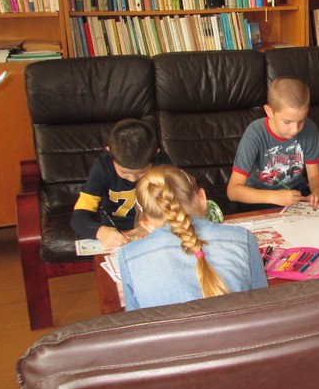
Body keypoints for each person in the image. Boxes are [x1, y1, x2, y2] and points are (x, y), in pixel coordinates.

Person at [118, 166, 268, 311]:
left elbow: (135, 320)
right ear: (202, 198)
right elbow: (263, 306)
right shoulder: (243, 239)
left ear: (147, 221)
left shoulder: (128, 256)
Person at [227, 76, 319, 210]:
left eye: (302, 121)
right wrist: (274, 197)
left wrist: (317, 192)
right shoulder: (254, 133)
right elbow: (233, 191)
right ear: (269, 111)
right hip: (258, 197)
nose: (295, 129)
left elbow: (315, 175)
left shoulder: (310, 129)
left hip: (296, 194)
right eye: (287, 122)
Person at [70, 118, 170, 248]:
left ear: (157, 153)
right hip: (114, 230)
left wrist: (154, 226)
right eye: (124, 172)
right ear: (109, 151)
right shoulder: (103, 166)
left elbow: (181, 206)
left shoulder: (162, 163)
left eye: (141, 173)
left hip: (155, 227)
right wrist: (100, 232)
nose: (132, 179)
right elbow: (79, 216)